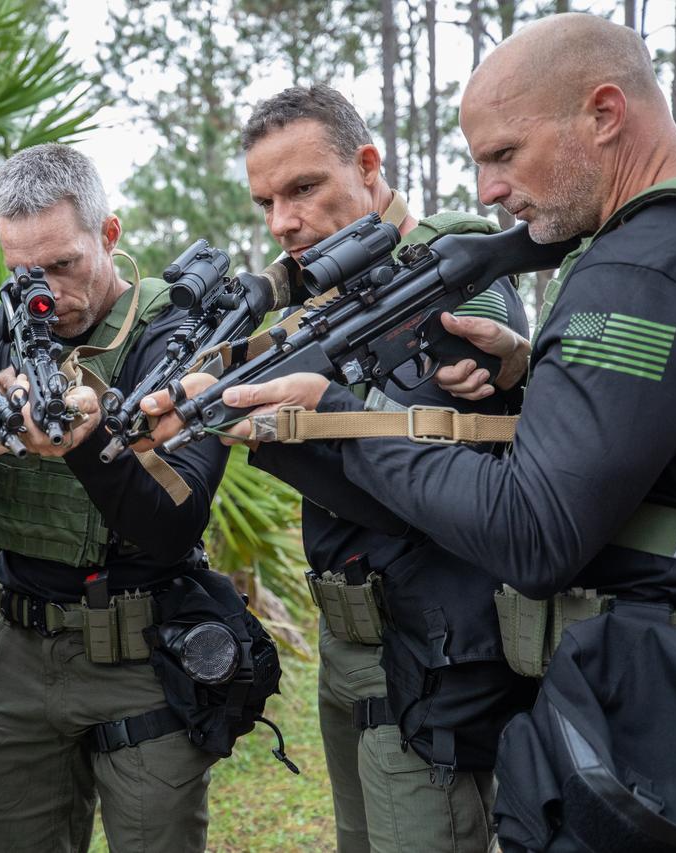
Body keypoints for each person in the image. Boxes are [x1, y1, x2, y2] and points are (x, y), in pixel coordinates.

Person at [155, 15, 676, 849]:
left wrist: (329, 419)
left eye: (505, 154)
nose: (484, 191)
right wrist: (523, 371)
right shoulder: (645, 254)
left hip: (631, 702)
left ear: (603, 113)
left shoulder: (632, 269)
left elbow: (533, 526)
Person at [226, 84, 534, 853]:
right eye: (266, 200)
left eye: (303, 188)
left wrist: (489, 365)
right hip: (348, 644)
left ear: (368, 166)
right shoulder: (321, 298)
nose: (283, 221)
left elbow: (479, 362)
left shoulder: (447, 263)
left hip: (433, 646)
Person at [0, 143, 230, 852]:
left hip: (142, 654)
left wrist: (84, 443)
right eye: (23, 271)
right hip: (22, 652)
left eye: (63, 265)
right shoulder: (4, 328)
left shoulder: (174, 334)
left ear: (107, 236)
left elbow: (175, 522)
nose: (44, 291)